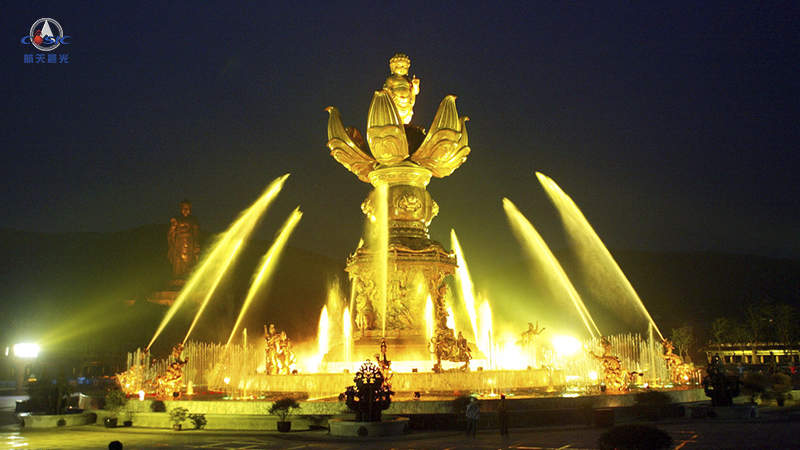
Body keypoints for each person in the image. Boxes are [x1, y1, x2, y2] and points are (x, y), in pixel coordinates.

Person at [168, 199, 200, 283]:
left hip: (190, 241)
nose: (185, 210)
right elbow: (171, 232)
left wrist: (196, 245)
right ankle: (177, 276)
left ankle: (188, 276)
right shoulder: (177, 219)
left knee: (189, 259)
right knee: (178, 259)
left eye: (187, 208)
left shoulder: (194, 220)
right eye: (184, 208)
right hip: (179, 241)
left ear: (190, 209)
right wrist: (172, 228)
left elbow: (196, 233)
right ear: (181, 209)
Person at [383, 54, 420, 124]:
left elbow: (415, 92)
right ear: (393, 67)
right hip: (396, 100)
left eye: (405, 66)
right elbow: (386, 89)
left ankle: (405, 125)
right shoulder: (391, 79)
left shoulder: (408, 80)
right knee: (394, 115)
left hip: (407, 102)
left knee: (406, 117)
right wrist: (391, 95)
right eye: (399, 66)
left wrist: (416, 85)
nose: (402, 68)